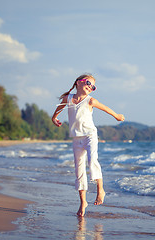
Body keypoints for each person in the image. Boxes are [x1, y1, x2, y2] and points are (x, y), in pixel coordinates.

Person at [52, 74, 125, 217]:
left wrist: (116, 116)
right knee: (79, 170)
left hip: (90, 135)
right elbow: (59, 108)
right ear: (78, 83)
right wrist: (54, 118)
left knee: (92, 161)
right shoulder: (68, 99)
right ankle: (83, 202)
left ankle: (100, 190)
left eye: (93, 86)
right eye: (88, 83)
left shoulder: (90, 100)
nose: (90, 87)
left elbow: (105, 108)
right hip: (76, 138)